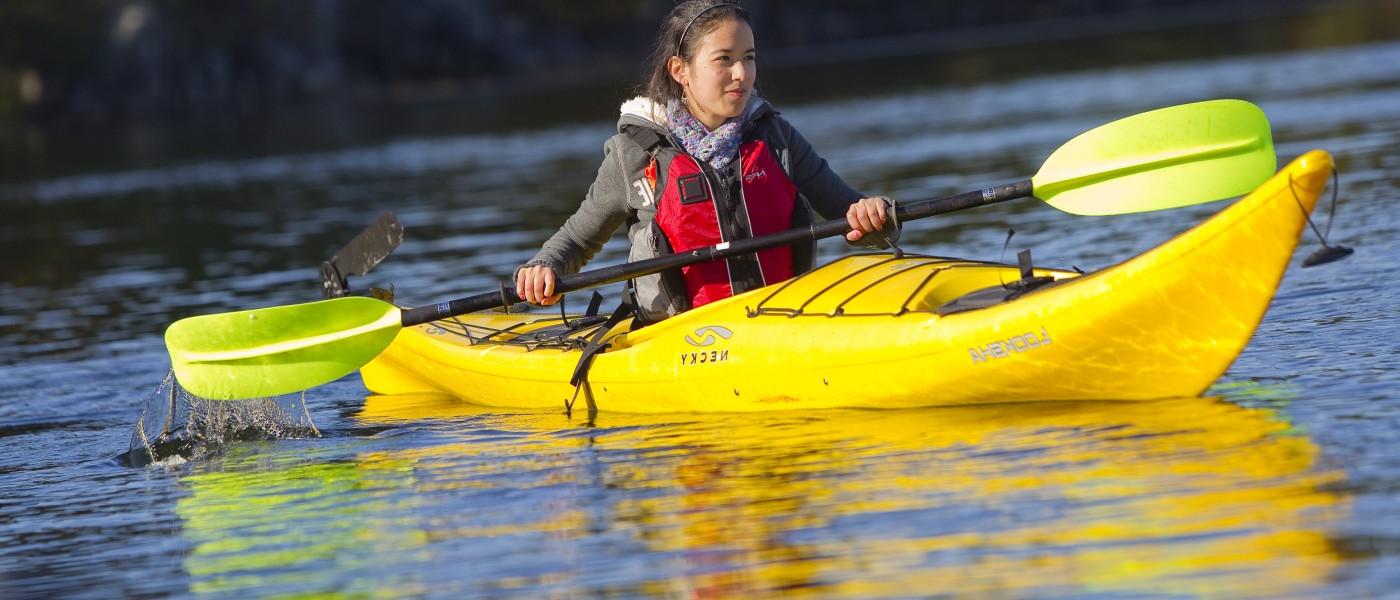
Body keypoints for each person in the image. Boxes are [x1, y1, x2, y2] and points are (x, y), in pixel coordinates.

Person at [515, 0, 896, 323]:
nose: (742, 74)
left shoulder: (776, 138)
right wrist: (542, 270)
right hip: (678, 342)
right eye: (724, 60)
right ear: (680, 71)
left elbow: (858, 218)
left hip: (782, 322)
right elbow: (576, 242)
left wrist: (872, 217)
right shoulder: (634, 153)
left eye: (749, 58)